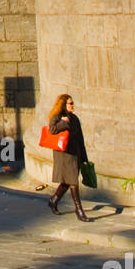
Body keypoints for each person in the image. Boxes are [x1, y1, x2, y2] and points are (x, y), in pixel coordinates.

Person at [47, 92, 91, 221]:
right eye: (70, 103)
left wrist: (84, 157)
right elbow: (52, 130)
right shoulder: (56, 117)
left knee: (67, 182)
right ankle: (79, 210)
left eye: (73, 103)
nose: (73, 105)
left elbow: (80, 138)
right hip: (64, 155)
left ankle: (53, 200)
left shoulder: (75, 118)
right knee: (73, 182)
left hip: (75, 153)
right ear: (63, 105)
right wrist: (63, 123)